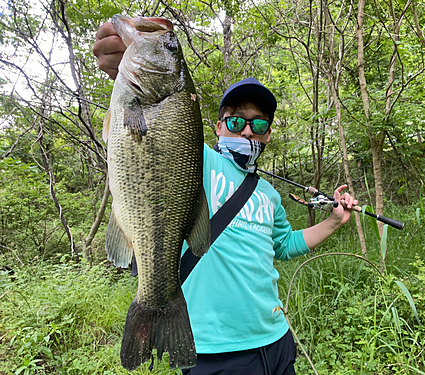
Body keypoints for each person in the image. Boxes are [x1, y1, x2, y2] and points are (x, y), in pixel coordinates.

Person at [93, 20, 357, 375]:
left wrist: (334, 220)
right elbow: (153, 134)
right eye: (236, 122)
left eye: (259, 124)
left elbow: (284, 245)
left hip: (276, 341)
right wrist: (121, 67)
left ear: (266, 135)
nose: (248, 130)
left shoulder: (267, 193)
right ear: (217, 127)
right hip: (212, 352)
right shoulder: (196, 157)